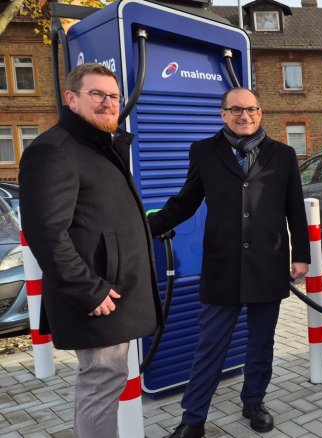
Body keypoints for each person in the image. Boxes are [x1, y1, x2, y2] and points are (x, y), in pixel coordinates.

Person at [147, 87, 310, 438]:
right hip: (223, 265)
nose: (244, 116)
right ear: (223, 114)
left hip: (268, 263)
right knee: (210, 345)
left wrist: (302, 256)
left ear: (260, 112)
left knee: (261, 341)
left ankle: (254, 401)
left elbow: (295, 207)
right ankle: (193, 420)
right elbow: (186, 201)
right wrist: (147, 226)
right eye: (236, 110)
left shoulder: (282, 155)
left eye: (251, 109)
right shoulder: (204, 152)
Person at [18, 63, 162, 438]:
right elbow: (45, 232)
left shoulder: (99, 145)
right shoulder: (53, 150)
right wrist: (88, 289)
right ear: (71, 98)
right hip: (100, 295)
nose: (108, 103)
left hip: (114, 292)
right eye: (96, 94)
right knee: (100, 386)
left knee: (107, 383)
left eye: (113, 96)